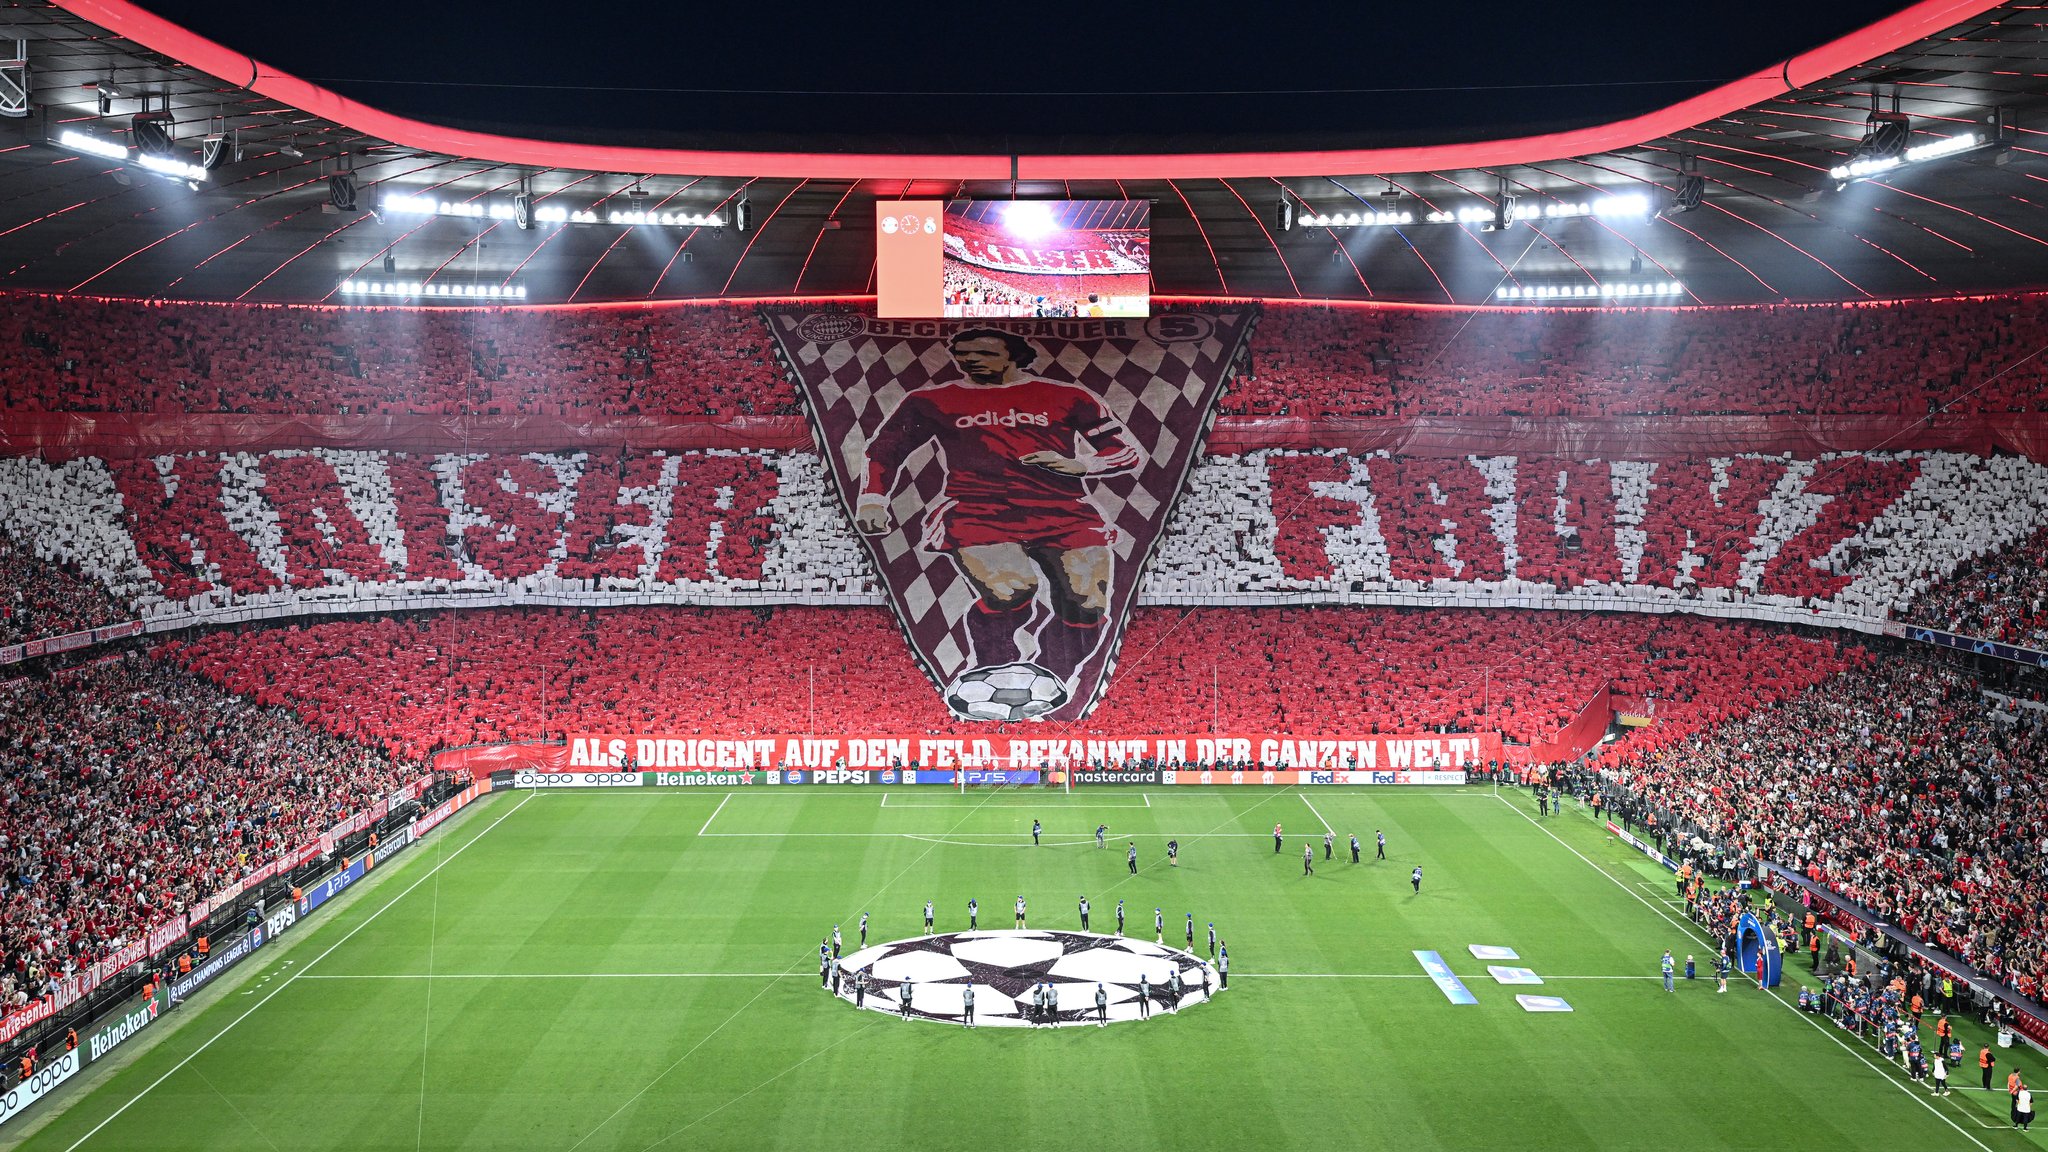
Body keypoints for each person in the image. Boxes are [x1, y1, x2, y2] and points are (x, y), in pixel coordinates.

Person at [853, 329, 1142, 690]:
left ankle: (1050, 679)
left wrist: (1083, 465)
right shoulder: (930, 399)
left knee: (1087, 603)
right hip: (978, 510)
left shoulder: (1068, 396)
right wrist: (874, 498)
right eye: (963, 353)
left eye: (985, 352)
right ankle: (994, 670)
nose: (971, 359)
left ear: (1014, 355)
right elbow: (884, 450)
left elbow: (1125, 451)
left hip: (1064, 509)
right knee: (1012, 591)